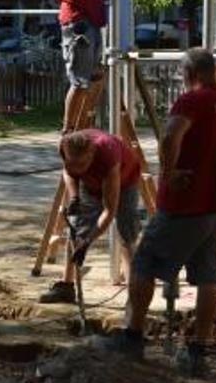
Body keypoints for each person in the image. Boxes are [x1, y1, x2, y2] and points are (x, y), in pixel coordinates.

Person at [96, 50, 216, 377]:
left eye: (182, 72)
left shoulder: (192, 101)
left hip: (187, 205)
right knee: (208, 276)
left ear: (189, 72)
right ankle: (197, 351)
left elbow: (171, 135)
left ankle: (133, 337)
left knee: (143, 263)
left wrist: (168, 171)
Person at [39, 128, 142, 303]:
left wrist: (88, 242)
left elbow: (109, 211)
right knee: (77, 231)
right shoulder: (66, 146)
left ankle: (135, 296)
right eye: (73, 163)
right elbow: (68, 171)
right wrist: (74, 197)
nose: (76, 169)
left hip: (124, 180)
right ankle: (67, 287)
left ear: (92, 153)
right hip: (90, 181)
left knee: (126, 234)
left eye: (81, 165)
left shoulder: (108, 156)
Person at [56, 0, 121, 133]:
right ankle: (68, 131)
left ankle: (82, 127)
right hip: (79, 26)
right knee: (80, 81)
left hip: (91, 23)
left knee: (94, 76)